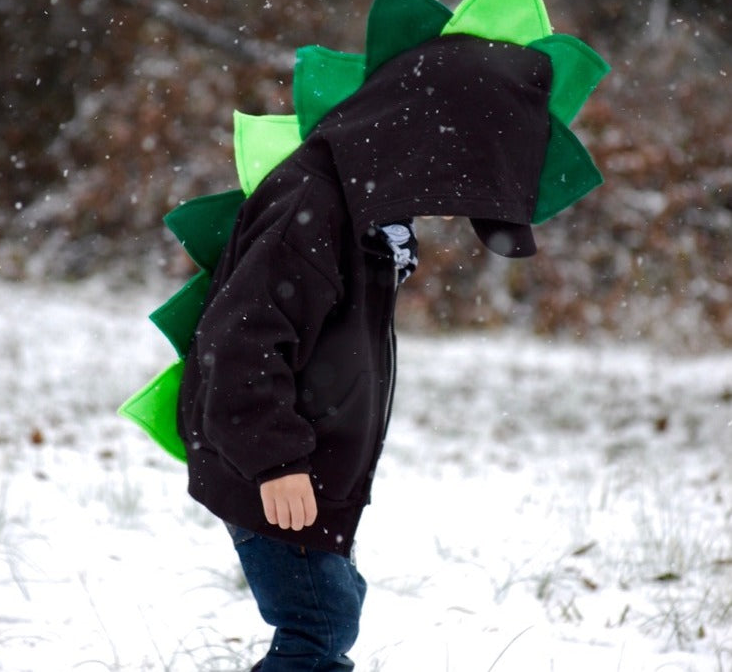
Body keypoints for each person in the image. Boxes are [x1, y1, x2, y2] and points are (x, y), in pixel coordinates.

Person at [176, 33, 554, 670]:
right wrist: (275, 460)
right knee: (316, 630)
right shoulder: (315, 203)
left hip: (314, 470)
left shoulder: (367, 207)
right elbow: (237, 341)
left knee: (332, 607)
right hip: (274, 467)